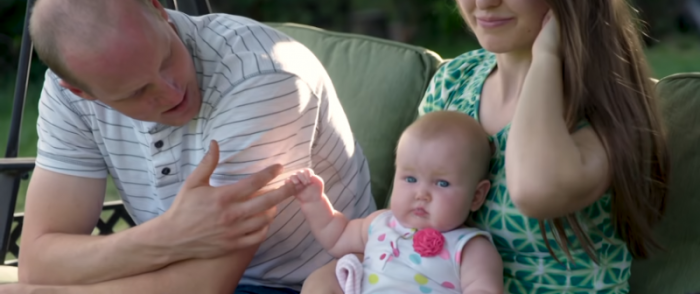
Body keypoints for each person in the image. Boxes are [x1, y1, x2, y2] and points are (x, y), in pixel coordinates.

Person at [6, 0, 375, 293]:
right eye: (137, 92)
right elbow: (39, 262)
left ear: (158, 8)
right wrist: (169, 234)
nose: (171, 91)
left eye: (166, 58)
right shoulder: (67, 93)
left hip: (303, 284)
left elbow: (202, 285)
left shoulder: (262, 79)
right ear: (82, 92)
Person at [303, 0, 669, 293]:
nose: (483, 2)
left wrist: (546, 59)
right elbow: (409, 222)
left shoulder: (604, 117)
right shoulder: (455, 81)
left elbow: (534, 190)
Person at [287, 111, 503, 294]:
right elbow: (336, 236)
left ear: (476, 196)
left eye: (442, 183)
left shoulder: (470, 248)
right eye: (410, 179)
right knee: (320, 282)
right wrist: (314, 200)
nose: (421, 194)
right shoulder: (380, 223)